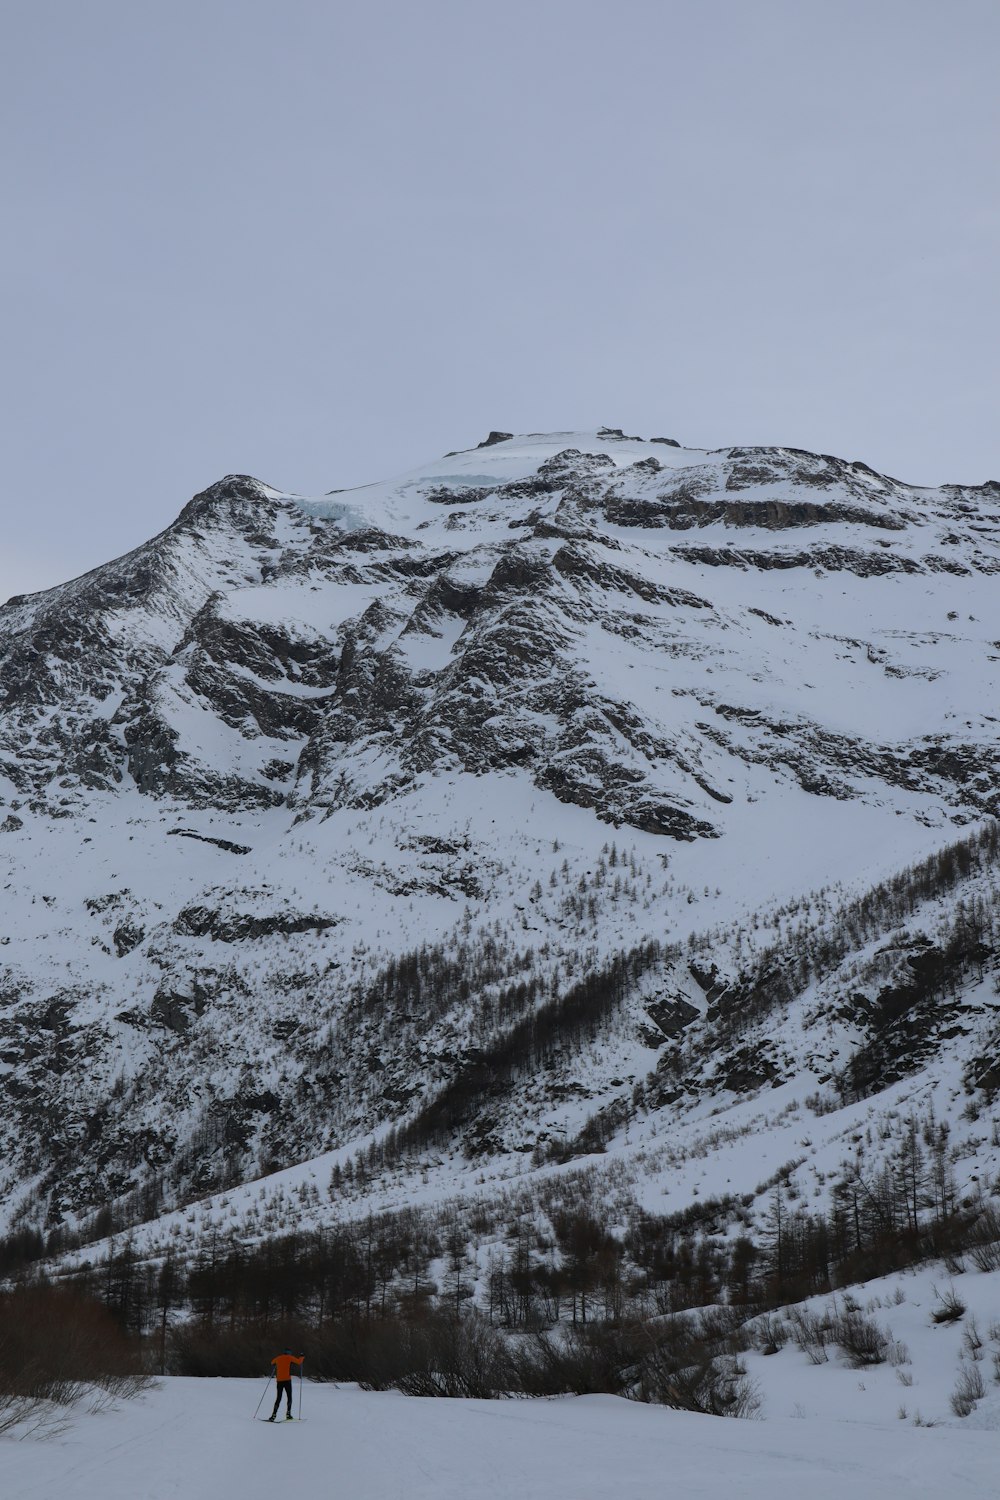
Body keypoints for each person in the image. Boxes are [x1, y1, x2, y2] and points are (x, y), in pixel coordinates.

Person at [268, 1347, 304, 1420]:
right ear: (289, 1353)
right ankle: (288, 1414)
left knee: (278, 1398)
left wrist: (276, 1364)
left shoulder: (278, 1358)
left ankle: (273, 1415)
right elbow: (299, 1362)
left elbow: (272, 1362)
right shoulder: (290, 1357)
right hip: (287, 1380)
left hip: (279, 1381)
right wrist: (302, 1356)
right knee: (289, 1397)